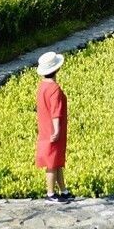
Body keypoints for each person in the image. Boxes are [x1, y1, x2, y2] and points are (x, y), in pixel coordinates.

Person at [35, 51, 72, 203]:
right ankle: (51, 194)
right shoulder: (54, 89)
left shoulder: (42, 86)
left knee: (56, 162)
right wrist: (56, 130)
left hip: (45, 129)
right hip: (53, 131)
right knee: (52, 163)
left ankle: (63, 190)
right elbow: (55, 111)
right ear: (56, 69)